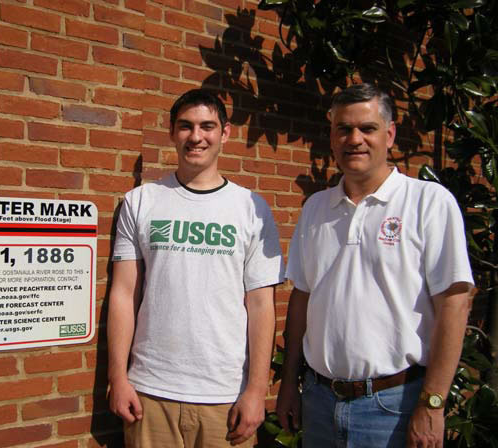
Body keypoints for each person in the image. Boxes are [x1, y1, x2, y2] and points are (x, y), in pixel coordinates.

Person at [276, 83, 474, 448]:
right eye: (343, 129)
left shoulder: (428, 203)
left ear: (390, 134)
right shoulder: (315, 208)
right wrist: (290, 383)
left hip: (395, 407)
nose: (355, 139)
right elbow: (301, 299)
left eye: (367, 128)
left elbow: (455, 304)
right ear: (332, 136)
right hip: (319, 401)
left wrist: (433, 403)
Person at [107, 89, 285, 447]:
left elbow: (262, 305)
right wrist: (118, 376)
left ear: (225, 133)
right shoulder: (141, 202)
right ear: (172, 132)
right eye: (186, 126)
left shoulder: (251, 208)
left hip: (225, 396)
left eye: (207, 126)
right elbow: (124, 294)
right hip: (150, 392)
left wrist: (256, 389)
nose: (196, 136)